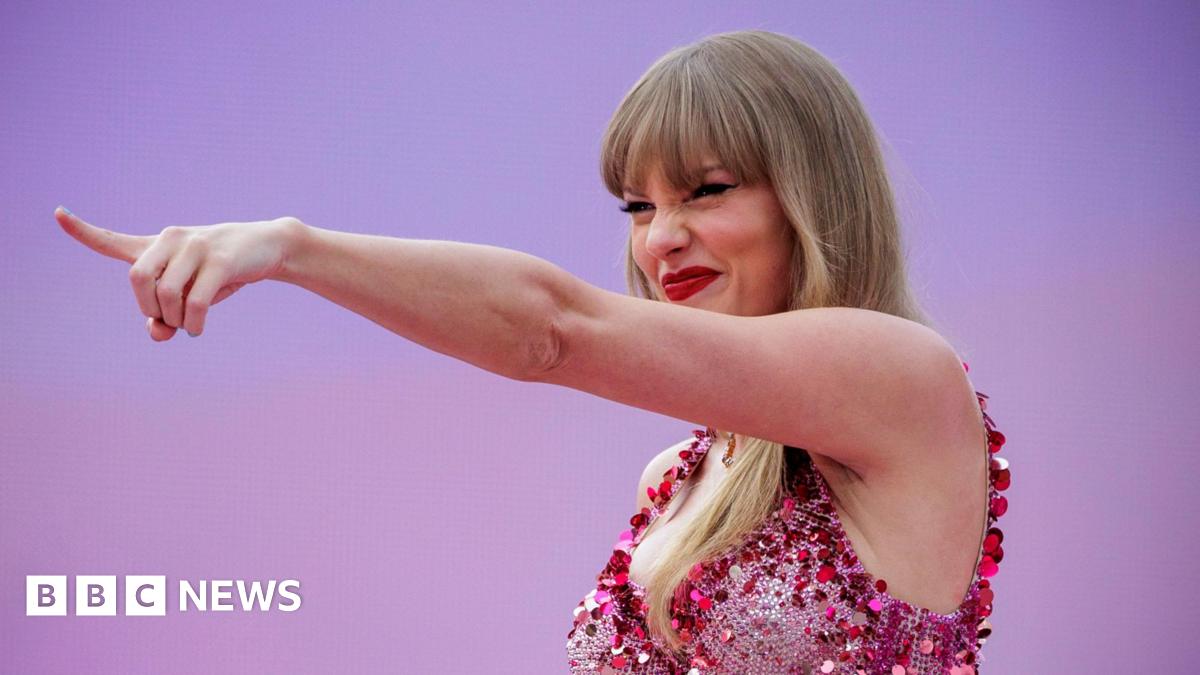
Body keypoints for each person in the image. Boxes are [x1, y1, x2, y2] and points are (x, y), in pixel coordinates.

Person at [56, 28, 1008, 675]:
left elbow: (553, 330)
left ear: (810, 194)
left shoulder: (905, 381)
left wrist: (291, 248)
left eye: (705, 190)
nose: (659, 238)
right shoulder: (678, 478)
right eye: (639, 205)